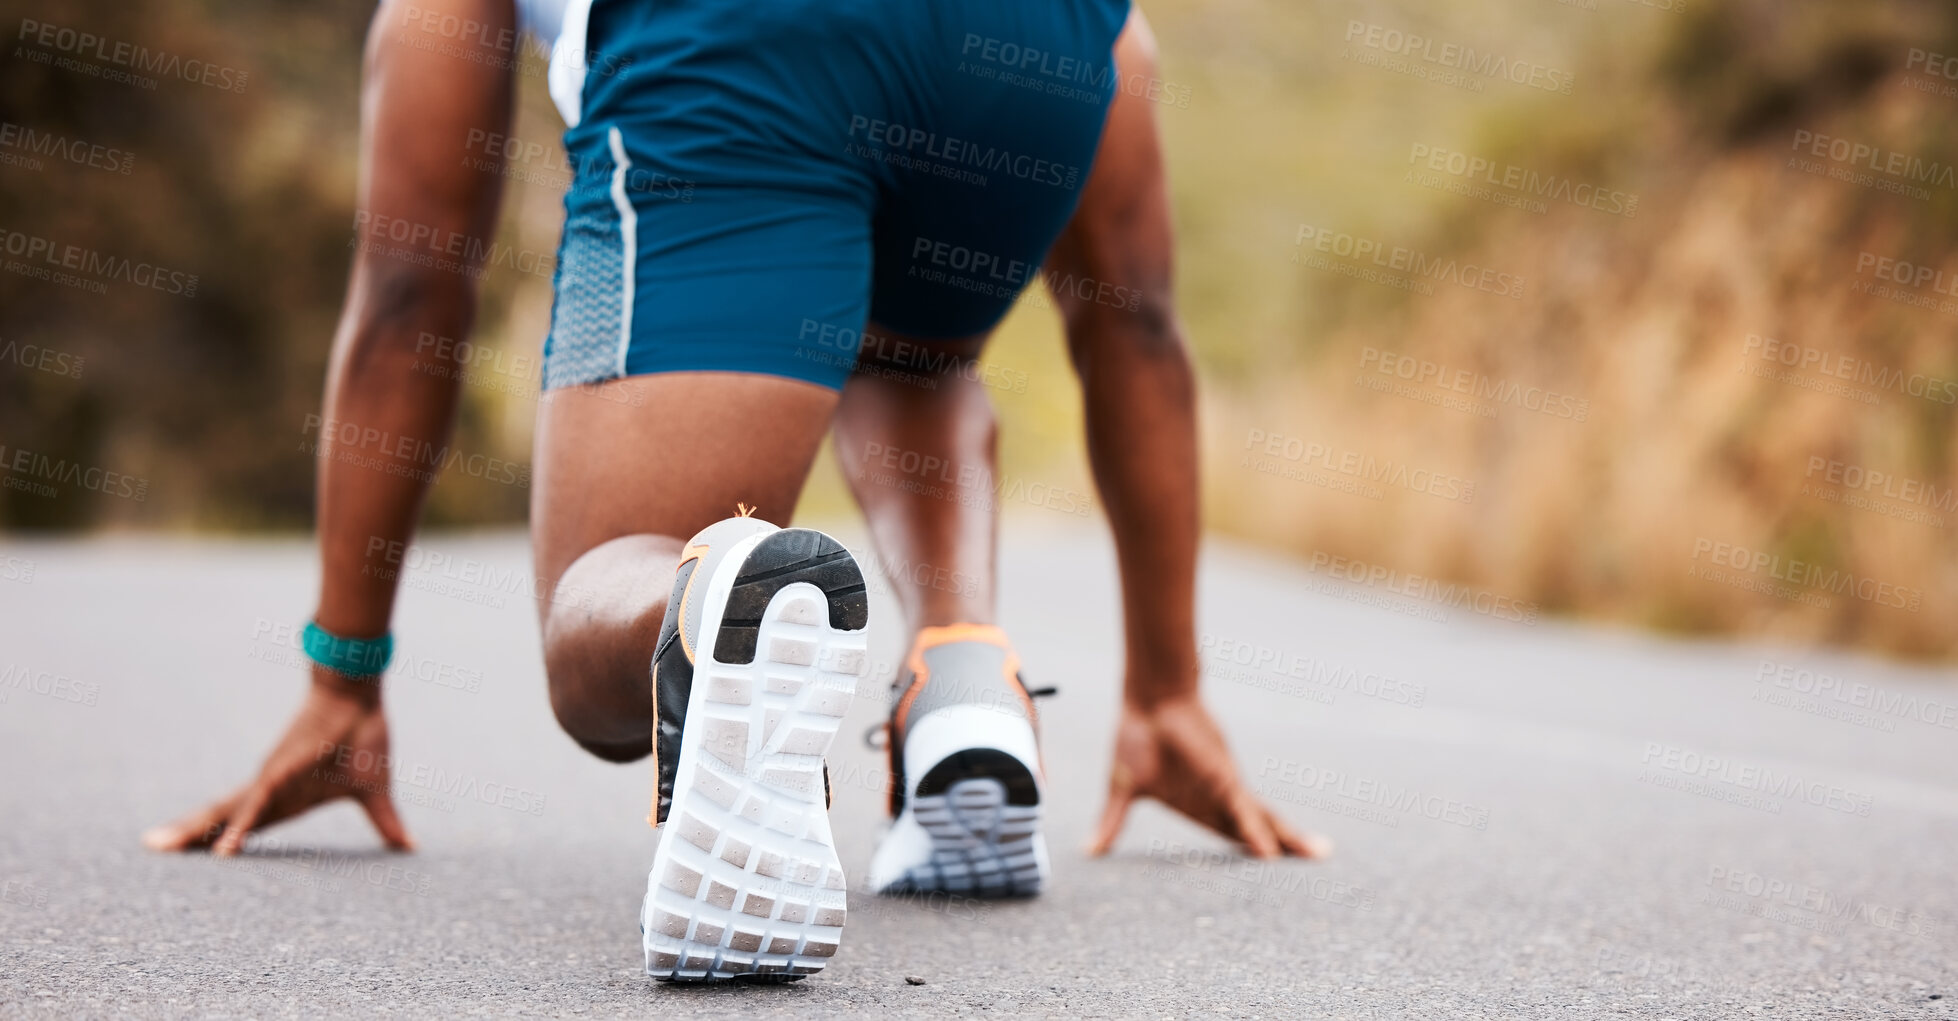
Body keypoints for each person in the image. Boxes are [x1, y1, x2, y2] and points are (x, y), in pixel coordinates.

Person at [143, 0, 1327, 982]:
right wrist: (1166, 692)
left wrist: (340, 678)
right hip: (1040, 39)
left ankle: (715, 596)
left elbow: (411, 286)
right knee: (912, 348)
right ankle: (962, 665)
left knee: (616, 591)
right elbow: (1141, 317)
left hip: (738, 46)